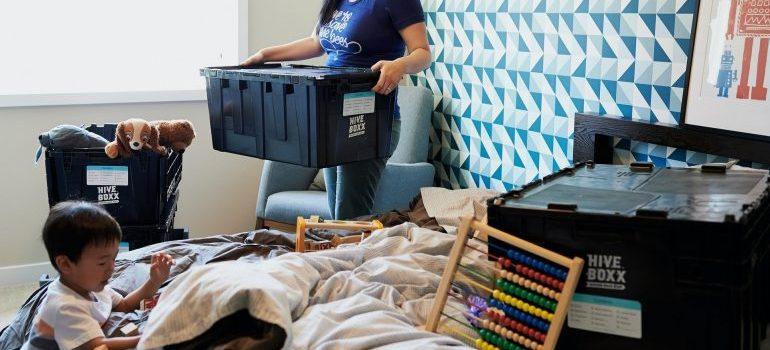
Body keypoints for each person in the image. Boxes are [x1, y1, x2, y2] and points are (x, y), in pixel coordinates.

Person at [242, 0, 432, 220]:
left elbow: (423, 53)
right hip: (331, 121)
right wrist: (264, 55)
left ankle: (358, 253)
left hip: (370, 123)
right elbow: (315, 43)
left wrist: (399, 65)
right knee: (338, 218)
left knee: (350, 217)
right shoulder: (337, 1)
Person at [23, 201, 174, 350]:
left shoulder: (89, 283)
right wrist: (147, 337)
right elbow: (96, 344)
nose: (112, 267)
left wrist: (154, 281)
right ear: (65, 264)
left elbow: (124, 305)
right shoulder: (65, 307)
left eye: (114, 258)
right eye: (102, 263)